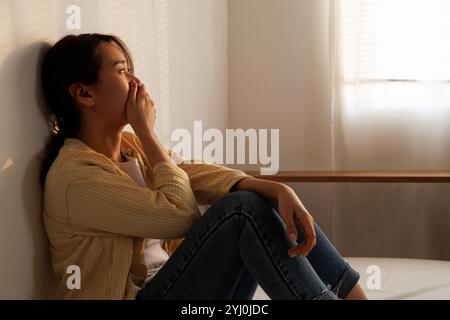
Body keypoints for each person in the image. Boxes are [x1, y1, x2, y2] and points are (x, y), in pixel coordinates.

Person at [40, 33, 367, 300]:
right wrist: (146, 130)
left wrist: (276, 189)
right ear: (84, 93)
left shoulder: (131, 150)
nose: (136, 81)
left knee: (256, 199)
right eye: (122, 70)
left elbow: (192, 174)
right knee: (241, 212)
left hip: (178, 289)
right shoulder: (75, 177)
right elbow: (179, 214)